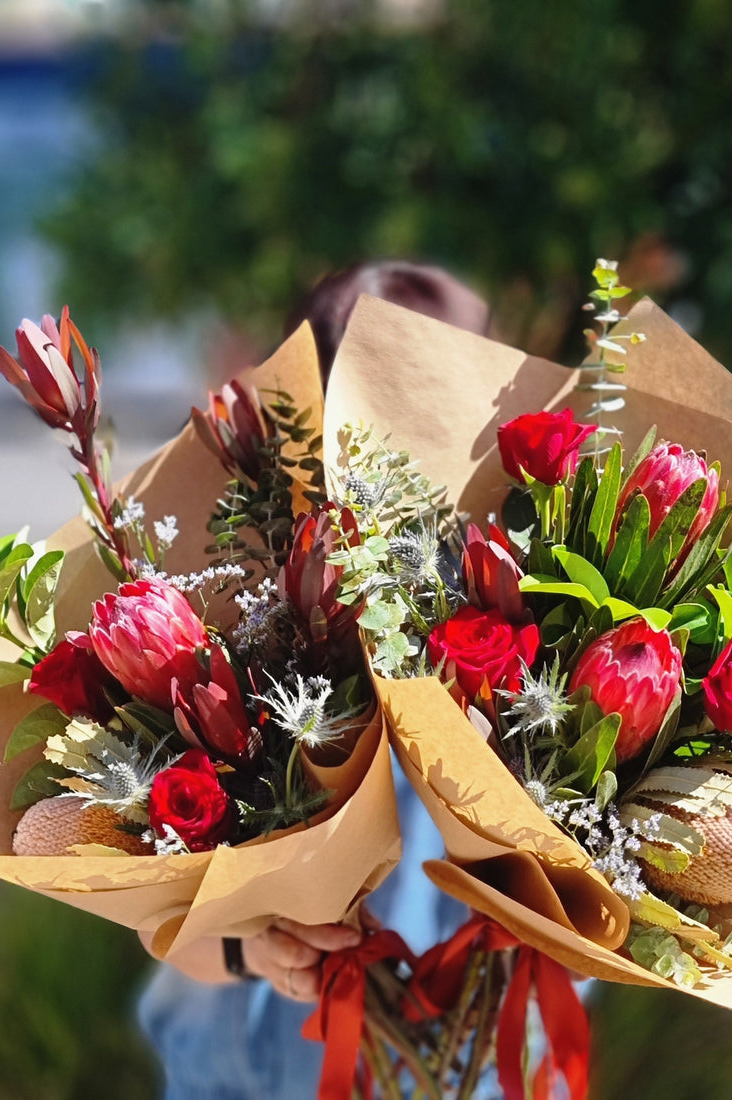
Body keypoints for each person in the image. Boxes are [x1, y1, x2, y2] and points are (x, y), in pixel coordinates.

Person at [137, 262, 491, 1098]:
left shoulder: (522, 603)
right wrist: (251, 947)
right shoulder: (234, 600)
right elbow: (150, 903)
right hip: (257, 1060)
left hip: (473, 1058)